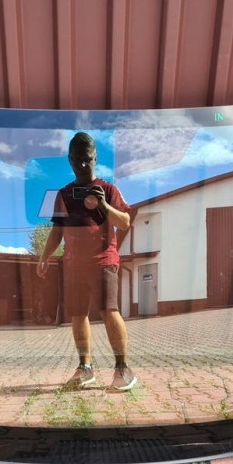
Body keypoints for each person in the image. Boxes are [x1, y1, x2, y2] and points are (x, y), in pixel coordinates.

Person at [36, 132, 137, 392]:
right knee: (78, 314)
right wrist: (45, 256)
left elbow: (125, 222)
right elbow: (57, 231)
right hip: (74, 266)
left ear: (95, 158)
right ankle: (85, 368)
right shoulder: (63, 195)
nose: (83, 165)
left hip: (104, 261)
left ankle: (122, 369)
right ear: (70, 160)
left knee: (108, 310)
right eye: (77, 159)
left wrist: (103, 205)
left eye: (88, 159)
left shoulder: (108, 190)